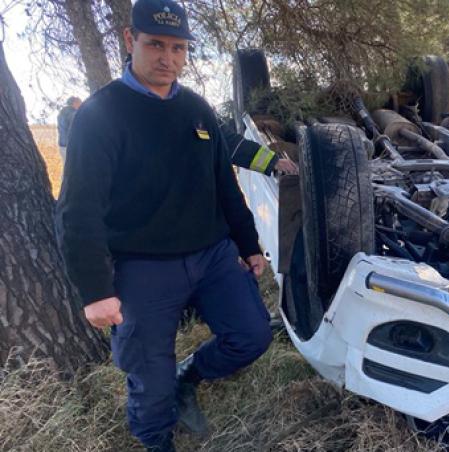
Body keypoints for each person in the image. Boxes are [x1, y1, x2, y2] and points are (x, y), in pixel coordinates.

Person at [55, 1, 275, 450]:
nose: (167, 58)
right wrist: (96, 290)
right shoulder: (99, 115)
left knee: (252, 335)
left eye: (178, 48)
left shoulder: (196, 109)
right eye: (155, 43)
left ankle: (189, 375)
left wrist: (249, 244)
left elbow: (224, 185)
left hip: (213, 255)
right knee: (148, 382)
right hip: (141, 266)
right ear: (128, 39)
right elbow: (79, 209)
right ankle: (157, 439)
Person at [57, 96, 81, 163]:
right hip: (71, 145)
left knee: (66, 167)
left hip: (62, 145)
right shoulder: (73, 114)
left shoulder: (61, 113)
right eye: (80, 102)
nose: (81, 105)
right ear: (74, 103)